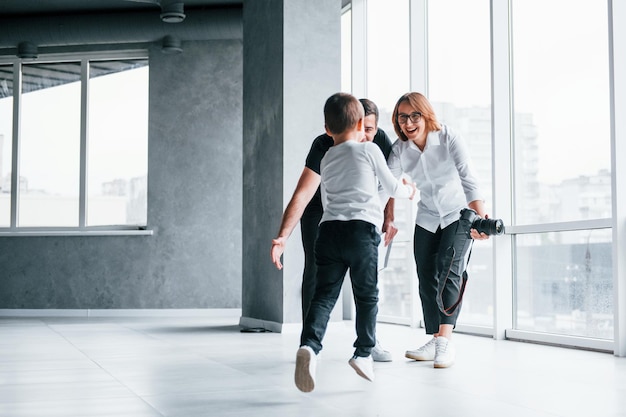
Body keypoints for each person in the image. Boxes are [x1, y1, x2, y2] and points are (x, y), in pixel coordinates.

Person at [278, 92, 416, 393]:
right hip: (361, 232)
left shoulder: (327, 157)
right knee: (366, 294)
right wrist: (408, 190)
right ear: (357, 123)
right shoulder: (369, 151)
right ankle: (364, 352)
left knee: (324, 295)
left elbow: (325, 198)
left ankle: (310, 346)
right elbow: (391, 185)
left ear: (329, 128)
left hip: (328, 231)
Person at [384, 92, 490, 369]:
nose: (408, 122)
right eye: (402, 117)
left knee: (451, 271)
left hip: (458, 213)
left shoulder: (448, 137)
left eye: (414, 115)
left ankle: (445, 340)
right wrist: (389, 216)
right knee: (426, 274)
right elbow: (390, 185)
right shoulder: (399, 149)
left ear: (426, 114)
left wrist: (479, 219)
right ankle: (434, 338)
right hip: (428, 215)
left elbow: (468, 177)